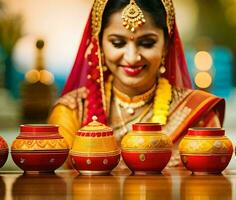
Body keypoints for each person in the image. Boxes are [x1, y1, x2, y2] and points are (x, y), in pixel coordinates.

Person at [48, 0, 225, 166]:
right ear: (99, 45)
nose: (132, 57)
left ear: (166, 45)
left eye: (147, 43)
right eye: (118, 43)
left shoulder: (197, 116)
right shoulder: (73, 111)